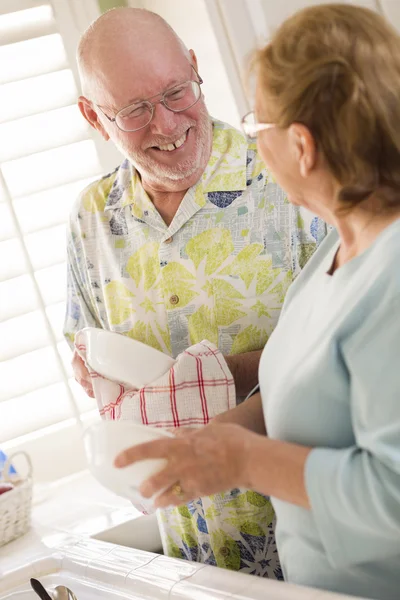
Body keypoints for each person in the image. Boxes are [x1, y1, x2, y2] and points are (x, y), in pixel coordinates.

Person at [113, 4, 400, 600]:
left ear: (302, 146)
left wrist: (245, 464)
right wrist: (221, 435)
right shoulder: (336, 253)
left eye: (253, 128)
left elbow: (393, 493)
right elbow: (316, 386)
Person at [64, 7, 326, 576]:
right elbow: (92, 359)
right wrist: (98, 378)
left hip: (312, 544)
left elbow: (347, 359)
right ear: (93, 117)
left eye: (176, 91)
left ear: (195, 67)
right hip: (191, 555)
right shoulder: (91, 220)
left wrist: (210, 378)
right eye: (133, 110)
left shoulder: (291, 178)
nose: (165, 124)